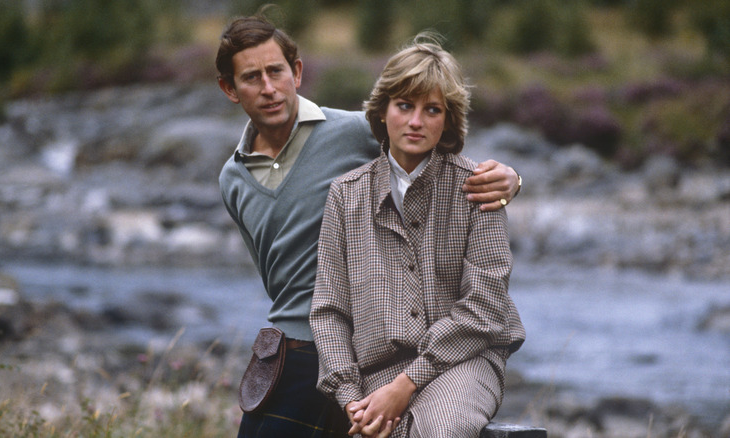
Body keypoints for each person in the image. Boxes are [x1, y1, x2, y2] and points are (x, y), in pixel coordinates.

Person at [216, 15, 522, 438]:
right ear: (229, 88)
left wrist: (512, 179)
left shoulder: (356, 131)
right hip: (327, 350)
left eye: (276, 72)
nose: (268, 88)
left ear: (297, 72)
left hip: (441, 356)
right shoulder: (237, 180)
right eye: (252, 77)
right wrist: (349, 394)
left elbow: (485, 301)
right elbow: (295, 289)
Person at [309, 36, 526, 438]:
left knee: (442, 432)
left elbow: (485, 306)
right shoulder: (345, 194)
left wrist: (406, 385)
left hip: (467, 362)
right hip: (376, 373)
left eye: (432, 110)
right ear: (382, 111)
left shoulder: (477, 188)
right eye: (405, 105)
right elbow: (329, 311)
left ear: (447, 119)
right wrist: (351, 399)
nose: (415, 121)